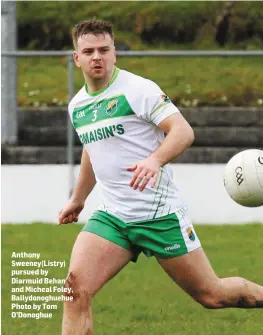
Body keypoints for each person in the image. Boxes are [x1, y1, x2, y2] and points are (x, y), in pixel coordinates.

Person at [58, 18, 263, 335]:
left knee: (212, 295)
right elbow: (91, 149)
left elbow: (183, 132)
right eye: (88, 51)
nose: (96, 57)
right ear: (77, 58)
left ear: (114, 54)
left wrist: (154, 160)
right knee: (74, 291)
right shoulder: (78, 105)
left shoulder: (138, 90)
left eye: (104, 49)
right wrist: (78, 198)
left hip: (159, 216)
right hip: (113, 217)